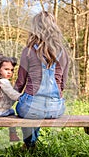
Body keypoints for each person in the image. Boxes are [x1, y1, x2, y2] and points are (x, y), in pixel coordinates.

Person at [14, 11, 70, 149]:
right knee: (36, 107)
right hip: (56, 108)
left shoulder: (27, 51)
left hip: (31, 107)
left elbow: (20, 83)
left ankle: (29, 143)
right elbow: (63, 83)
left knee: (28, 107)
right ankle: (30, 143)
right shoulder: (63, 52)